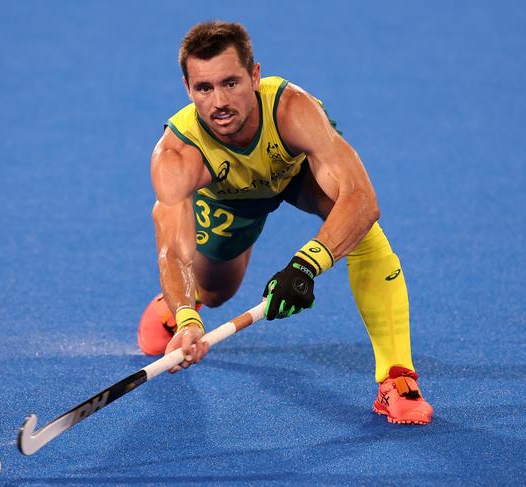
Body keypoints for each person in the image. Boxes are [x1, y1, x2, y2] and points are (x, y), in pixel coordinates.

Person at [138, 20, 433, 425]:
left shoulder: (293, 109)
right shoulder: (176, 155)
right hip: (228, 199)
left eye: (231, 83)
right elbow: (174, 249)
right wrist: (189, 317)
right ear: (188, 90)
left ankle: (397, 378)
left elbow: (362, 200)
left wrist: (306, 264)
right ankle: (174, 310)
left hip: (296, 176)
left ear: (255, 76)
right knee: (215, 290)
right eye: (204, 88)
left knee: (360, 230)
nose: (219, 101)